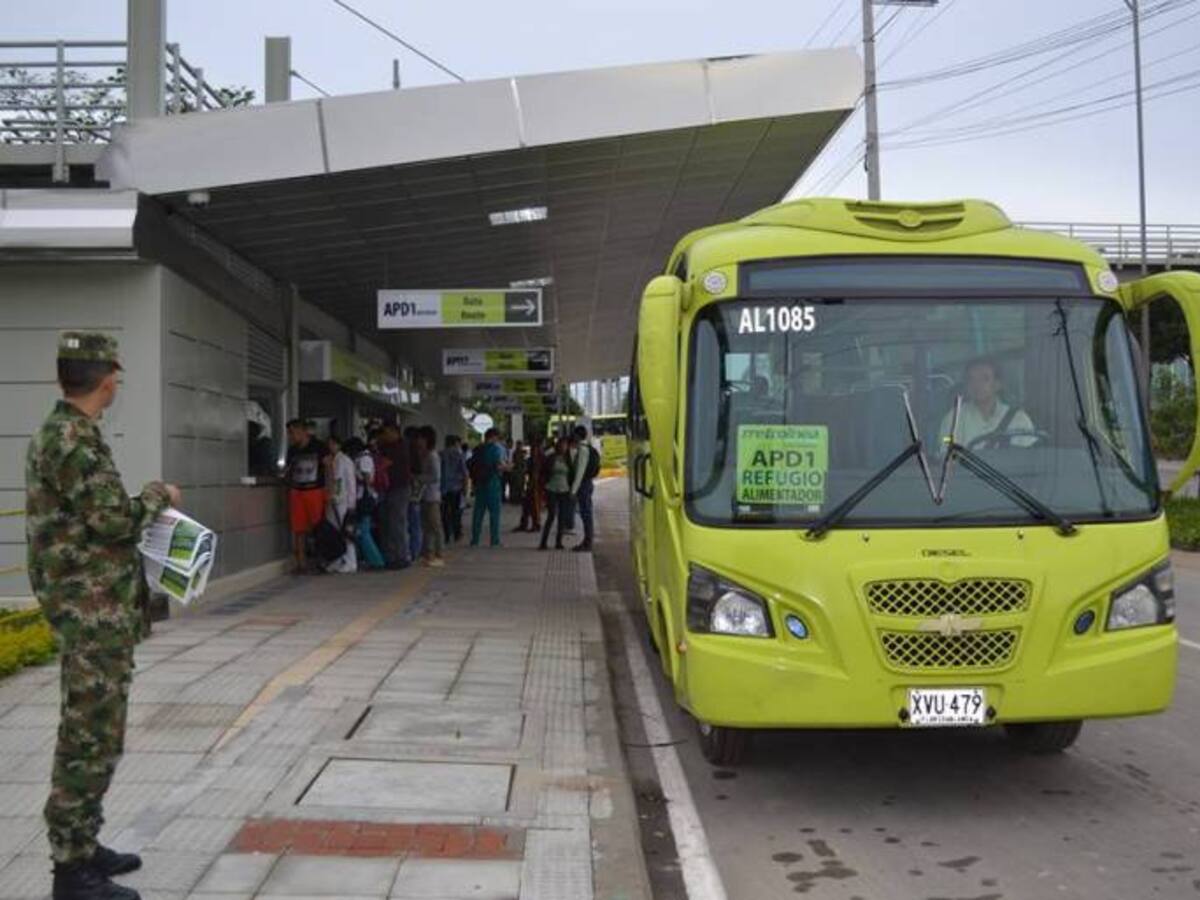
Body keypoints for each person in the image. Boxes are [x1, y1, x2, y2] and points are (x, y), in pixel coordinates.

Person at [26, 332, 182, 900]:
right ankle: (71, 870)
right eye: (117, 373)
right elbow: (113, 520)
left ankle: (85, 846)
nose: (118, 381)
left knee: (99, 733)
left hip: (95, 608)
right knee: (88, 738)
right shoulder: (72, 439)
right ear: (107, 377)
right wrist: (158, 494)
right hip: (90, 612)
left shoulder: (68, 431)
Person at [939, 357, 1036, 450]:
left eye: (985, 379)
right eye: (972, 379)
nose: (977, 385)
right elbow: (947, 454)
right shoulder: (953, 420)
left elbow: (1031, 457)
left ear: (998, 384)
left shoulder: (1019, 419)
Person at [284, 418, 325, 574]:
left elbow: (328, 467)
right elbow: (288, 470)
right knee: (298, 528)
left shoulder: (319, 447)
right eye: (289, 434)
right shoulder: (292, 450)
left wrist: (329, 489)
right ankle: (301, 563)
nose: (291, 437)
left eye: (293, 433)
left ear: (302, 431)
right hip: (297, 491)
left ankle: (321, 560)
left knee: (318, 526)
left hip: (315, 490)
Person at [323, 434, 359, 574]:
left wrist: (351, 502)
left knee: (345, 531)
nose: (330, 447)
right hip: (334, 499)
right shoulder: (333, 460)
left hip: (342, 500)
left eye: (333, 444)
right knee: (334, 531)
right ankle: (338, 559)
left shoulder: (343, 461)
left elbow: (344, 481)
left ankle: (350, 561)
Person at [346, 437, 385, 569]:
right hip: (365, 497)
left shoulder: (364, 459)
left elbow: (368, 480)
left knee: (364, 531)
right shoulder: (365, 457)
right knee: (364, 530)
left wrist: (358, 479)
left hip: (365, 498)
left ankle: (376, 561)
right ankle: (372, 559)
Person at [380, 424, 412, 569]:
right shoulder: (390, 447)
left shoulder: (400, 447)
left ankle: (401, 556)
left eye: (387, 433)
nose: (385, 436)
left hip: (399, 488)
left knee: (398, 523)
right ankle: (393, 556)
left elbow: (384, 464)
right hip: (392, 488)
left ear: (395, 432)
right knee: (391, 523)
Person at [470, 428, 508, 547]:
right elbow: (499, 466)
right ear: (494, 437)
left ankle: (475, 540)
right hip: (493, 483)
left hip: (480, 484)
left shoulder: (478, 449)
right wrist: (508, 467)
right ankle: (494, 540)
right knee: (494, 514)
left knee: (478, 513)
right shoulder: (496, 449)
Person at [539, 435, 576, 550]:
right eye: (562, 444)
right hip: (551, 489)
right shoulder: (551, 457)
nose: (564, 447)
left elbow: (572, 474)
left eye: (565, 445)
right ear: (558, 445)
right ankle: (543, 542)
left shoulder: (568, 459)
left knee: (562, 517)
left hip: (564, 490)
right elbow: (544, 471)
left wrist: (572, 489)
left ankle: (558, 542)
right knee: (551, 515)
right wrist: (544, 485)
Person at [416, 426, 445, 567]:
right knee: (427, 526)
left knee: (434, 525)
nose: (418, 441)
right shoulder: (425, 455)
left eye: (421, 438)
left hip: (432, 496)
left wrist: (418, 478)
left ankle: (438, 555)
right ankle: (429, 554)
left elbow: (435, 476)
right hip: (425, 496)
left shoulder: (432, 456)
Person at [569, 425, 600, 552]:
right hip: (587, 484)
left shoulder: (582, 450)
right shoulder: (587, 448)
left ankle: (587, 543)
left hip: (583, 485)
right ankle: (587, 541)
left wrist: (573, 490)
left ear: (577, 435)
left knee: (586, 513)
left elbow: (580, 472)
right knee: (586, 512)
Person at [441, 434, 467, 544]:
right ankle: (456, 533)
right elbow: (464, 472)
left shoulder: (441, 454)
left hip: (443, 487)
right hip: (456, 486)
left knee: (445, 512)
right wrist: (465, 486)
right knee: (456, 511)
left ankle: (446, 534)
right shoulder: (459, 454)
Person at [404, 426, 424, 563]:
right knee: (416, 522)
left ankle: (411, 551)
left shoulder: (408, 451)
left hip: (409, 490)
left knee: (409, 523)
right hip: (417, 492)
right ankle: (416, 551)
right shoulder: (421, 451)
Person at [515, 436, 544, 533]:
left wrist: (532, 483)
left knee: (534, 505)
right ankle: (525, 523)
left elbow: (536, 470)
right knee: (527, 505)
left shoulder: (537, 455)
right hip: (533, 483)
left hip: (535, 484)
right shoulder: (537, 454)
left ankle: (536, 524)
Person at [509, 442, 527, 507]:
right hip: (517, 471)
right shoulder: (515, 453)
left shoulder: (522, 453)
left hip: (520, 471)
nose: (519, 446)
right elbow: (515, 462)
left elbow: (524, 462)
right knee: (516, 485)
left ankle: (518, 498)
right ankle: (515, 499)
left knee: (520, 485)